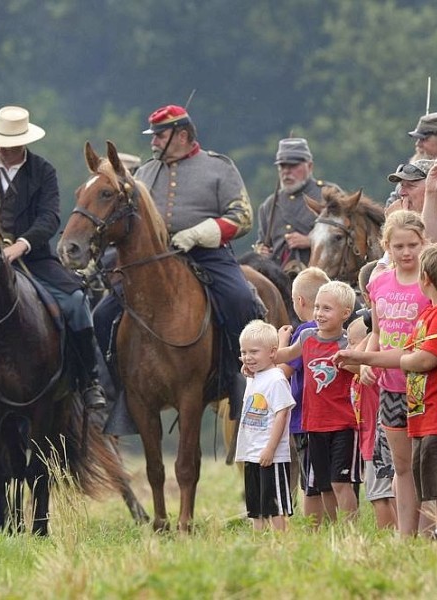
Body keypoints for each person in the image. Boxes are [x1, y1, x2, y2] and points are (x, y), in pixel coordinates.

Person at [0, 106, 107, 434]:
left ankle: (89, 381)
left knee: (75, 302)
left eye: (9, 141)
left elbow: (50, 218)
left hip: (34, 258)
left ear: (23, 142)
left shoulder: (43, 171)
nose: (2, 147)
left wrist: (21, 244)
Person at [128, 104, 260, 417]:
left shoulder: (219, 167)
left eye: (160, 135)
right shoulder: (145, 172)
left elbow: (242, 217)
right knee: (106, 312)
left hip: (208, 253)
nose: (154, 142)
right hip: (155, 260)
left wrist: (199, 233)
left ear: (182, 134)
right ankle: (118, 388)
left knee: (240, 298)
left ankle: (236, 377)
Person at [336, 242, 437, 536]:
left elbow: (421, 359)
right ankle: (430, 536)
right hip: (423, 413)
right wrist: (361, 358)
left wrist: (403, 358)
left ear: (425, 279)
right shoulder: (429, 315)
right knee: (427, 480)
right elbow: (401, 354)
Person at [362, 210, 432, 536]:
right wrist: (367, 359)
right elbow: (377, 332)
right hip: (390, 385)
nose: (406, 253)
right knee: (401, 466)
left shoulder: (430, 282)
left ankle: (433, 529)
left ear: (423, 243)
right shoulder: (378, 283)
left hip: (424, 383)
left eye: (412, 245)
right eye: (398, 246)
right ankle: (406, 535)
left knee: (425, 463)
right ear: (386, 246)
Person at [275, 281, 358, 526]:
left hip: (343, 424)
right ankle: (332, 531)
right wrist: (269, 351)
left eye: (327, 309)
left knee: (340, 482)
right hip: (314, 424)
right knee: (324, 486)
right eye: (318, 308)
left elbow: (360, 368)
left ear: (345, 313)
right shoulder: (307, 336)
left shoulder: (347, 344)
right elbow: (286, 356)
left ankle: (350, 530)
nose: (319, 314)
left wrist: (349, 360)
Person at [235, 319, 295, 531]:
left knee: (275, 506)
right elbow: (252, 369)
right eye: (243, 352)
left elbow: (282, 414)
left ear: (272, 352)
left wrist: (270, 448)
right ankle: (259, 542)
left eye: (253, 352)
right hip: (252, 454)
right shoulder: (255, 376)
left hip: (271, 456)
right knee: (256, 507)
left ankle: (282, 542)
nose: (247, 357)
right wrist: (249, 367)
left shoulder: (276, 380)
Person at [281, 266, 330, 516]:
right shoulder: (334, 329)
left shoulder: (304, 331)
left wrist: (281, 341)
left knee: (310, 482)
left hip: (305, 421)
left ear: (299, 301)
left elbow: (284, 372)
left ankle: (315, 529)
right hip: (332, 420)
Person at [255, 138, 339, 270]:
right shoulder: (269, 204)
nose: (286, 171)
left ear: (310, 166)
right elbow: (263, 242)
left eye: (293, 166)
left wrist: (310, 241)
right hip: (278, 280)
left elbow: (343, 237)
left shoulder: (329, 195)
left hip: (319, 274)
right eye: (282, 166)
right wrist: (261, 251)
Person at [348, 304, 396, 530]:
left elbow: (350, 359)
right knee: (377, 493)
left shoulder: (371, 369)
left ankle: (388, 533)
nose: (348, 347)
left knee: (381, 493)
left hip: (377, 442)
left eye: (350, 342)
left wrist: (367, 341)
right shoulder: (363, 370)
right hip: (368, 442)